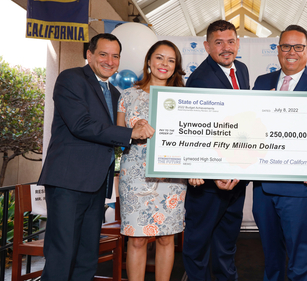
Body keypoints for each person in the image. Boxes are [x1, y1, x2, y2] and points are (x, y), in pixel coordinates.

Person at [38, 33, 155, 281]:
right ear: (89, 55)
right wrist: (129, 132)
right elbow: (81, 124)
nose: (109, 61)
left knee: (86, 257)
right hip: (68, 182)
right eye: (103, 54)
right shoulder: (71, 79)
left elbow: (119, 133)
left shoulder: (114, 93)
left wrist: (140, 127)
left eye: (115, 56)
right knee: (62, 254)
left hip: (96, 184)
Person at [252, 25, 307, 281]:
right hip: (264, 186)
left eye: (298, 47)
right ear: (278, 50)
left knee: (300, 257)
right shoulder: (262, 82)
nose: (291, 52)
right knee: (270, 257)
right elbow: (249, 127)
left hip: (302, 187)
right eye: (285, 46)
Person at [183, 20, 250, 281]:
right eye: (218, 42)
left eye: (230, 41)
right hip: (209, 182)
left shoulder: (241, 70)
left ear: (237, 43)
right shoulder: (199, 79)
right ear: (207, 46)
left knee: (226, 243)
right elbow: (197, 132)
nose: (226, 48)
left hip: (236, 178)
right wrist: (213, 173)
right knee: (198, 244)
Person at [117, 40, 186, 281]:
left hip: (171, 177)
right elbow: (118, 137)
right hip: (135, 176)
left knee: (167, 238)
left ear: (176, 66)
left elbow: (190, 138)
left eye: (171, 60)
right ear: (148, 61)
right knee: (136, 239)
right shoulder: (128, 95)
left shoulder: (183, 98)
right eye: (159, 57)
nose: (164, 64)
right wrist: (133, 128)